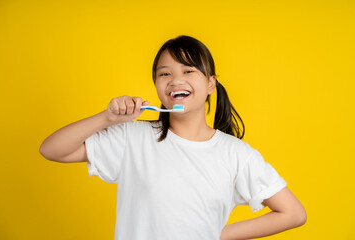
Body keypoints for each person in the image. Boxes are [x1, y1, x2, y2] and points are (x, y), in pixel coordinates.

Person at [39, 35, 307, 240]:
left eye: (188, 71)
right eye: (165, 73)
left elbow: (293, 213)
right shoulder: (132, 139)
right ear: (156, 85)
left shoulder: (236, 154)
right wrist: (107, 117)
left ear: (211, 84)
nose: (176, 80)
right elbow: (52, 149)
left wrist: (215, 234)